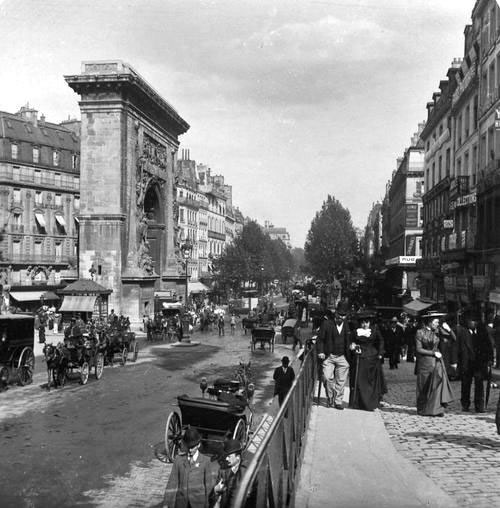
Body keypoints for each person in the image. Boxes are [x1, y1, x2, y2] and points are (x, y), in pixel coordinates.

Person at [163, 427, 219, 508]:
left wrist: (209, 504)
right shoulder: (179, 460)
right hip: (181, 504)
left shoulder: (206, 461)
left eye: (192, 447)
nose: (190, 450)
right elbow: (172, 482)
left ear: (198, 445)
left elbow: (208, 486)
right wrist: (166, 504)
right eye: (188, 447)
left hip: (198, 504)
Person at [415, 312, 454, 417]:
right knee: (423, 386)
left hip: (437, 363)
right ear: (429, 322)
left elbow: (453, 339)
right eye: (436, 322)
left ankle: (436, 409)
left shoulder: (438, 332)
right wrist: (433, 352)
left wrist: (449, 329)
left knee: (437, 386)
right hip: (424, 363)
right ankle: (422, 409)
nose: (437, 324)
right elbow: (418, 349)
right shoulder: (420, 332)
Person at [456, 311, 494, 413]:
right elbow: (457, 348)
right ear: (467, 322)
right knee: (465, 385)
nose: (473, 323)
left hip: (479, 363)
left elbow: (488, 346)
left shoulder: (482, 332)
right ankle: (465, 404)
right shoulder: (462, 332)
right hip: (466, 362)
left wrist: (490, 359)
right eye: (471, 321)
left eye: (474, 321)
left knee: (479, 384)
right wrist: (455, 362)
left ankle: (479, 406)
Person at [349, 310, 386, 411]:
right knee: (360, 380)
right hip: (359, 358)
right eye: (363, 322)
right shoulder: (355, 332)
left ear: (370, 323)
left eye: (367, 322)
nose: (365, 325)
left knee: (371, 382)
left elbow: (381, 341)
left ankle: (371, 403)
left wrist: (380, 353)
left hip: (372, 358)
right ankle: (358, 403)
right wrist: (352, 346)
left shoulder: (374, 331)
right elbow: (350, 342)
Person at [317, 308, 350, 409]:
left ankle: (338, 401)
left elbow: (350, 338)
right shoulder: (327, 324)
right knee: (327, 377)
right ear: (336, 314)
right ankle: (330, 397)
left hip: (342, 356)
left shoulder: (347, 325)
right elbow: (320, 339)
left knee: (341, 380)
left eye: (344, 315)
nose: (342, 317)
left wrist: (352, 345)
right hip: (329, 356)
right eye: (340, 314)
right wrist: (321, 352)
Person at [210, 439, 244, 508]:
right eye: (226, 456)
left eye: (229, 456)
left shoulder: (246, 471)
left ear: (238, 457)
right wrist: (215, 490)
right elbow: (216, 494)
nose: (226, 459)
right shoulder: (223, 470)